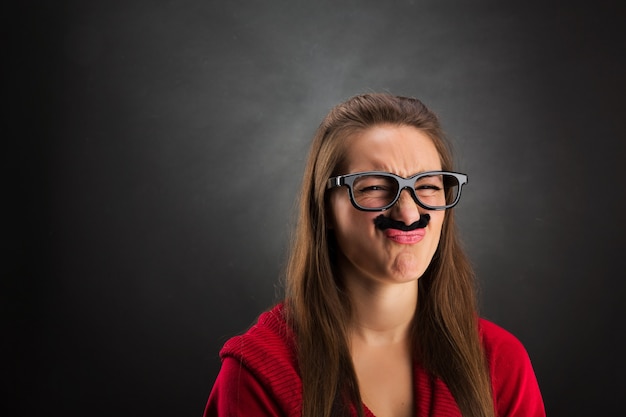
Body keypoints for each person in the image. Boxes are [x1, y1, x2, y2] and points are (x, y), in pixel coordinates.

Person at [204, 93, 545, 417]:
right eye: (375, 188)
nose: (409, 215)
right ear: (324, 208)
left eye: (427, 185)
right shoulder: (256, 375)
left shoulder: (500, 362)